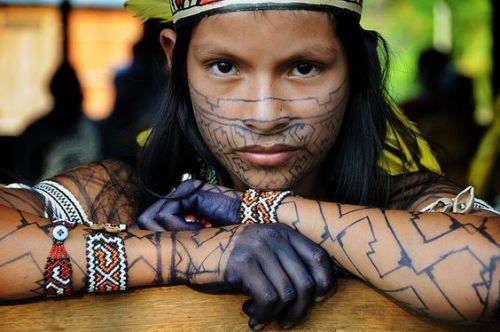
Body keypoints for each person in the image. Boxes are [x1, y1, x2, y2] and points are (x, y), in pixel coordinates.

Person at [0, 0, 498, 330]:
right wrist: (194, 252)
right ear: (175, 61)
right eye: (224, 67)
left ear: (359, 62)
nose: (264, 116)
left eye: (304, 68)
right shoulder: (123, 193)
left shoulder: (401, 202)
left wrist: (261, 208)